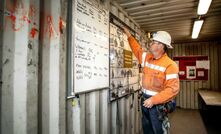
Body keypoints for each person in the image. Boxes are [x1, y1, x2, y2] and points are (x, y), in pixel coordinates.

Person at [123, 28, 180, 134]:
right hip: (145, 101)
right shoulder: (147, 57)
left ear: (161, 46)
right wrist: (129, 36)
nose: (151, 44)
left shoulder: (170, 65)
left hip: (157, 105)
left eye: (154, 42)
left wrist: (153, 100)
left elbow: (172, 89)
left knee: (157, 131)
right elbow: (137, 50)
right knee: (147, 129)